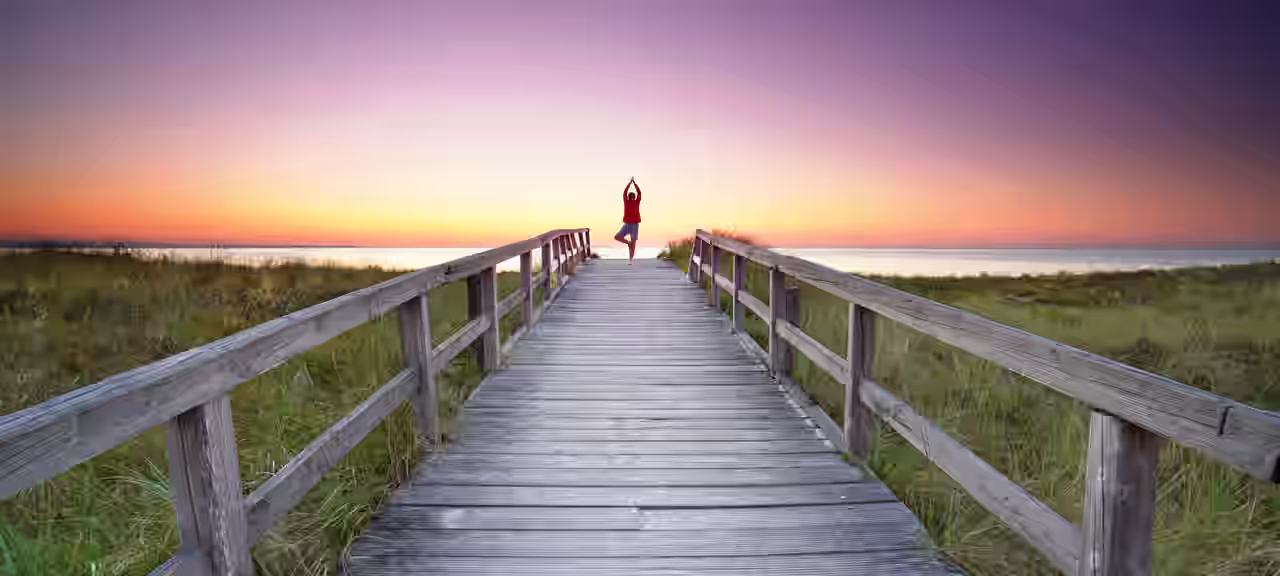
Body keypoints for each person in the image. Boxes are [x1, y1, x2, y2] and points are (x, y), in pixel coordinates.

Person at [614, 177, 641, 263]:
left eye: (634, 196)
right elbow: (625, 192)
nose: (633, 196)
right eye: (631, 195)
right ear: (629, 196)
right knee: (617, 237)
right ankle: (628, 243)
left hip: (635, 224)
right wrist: (630, 183)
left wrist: (634, 184)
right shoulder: (626, 202)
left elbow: (639, 193)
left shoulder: (637, 202)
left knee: (634, 243)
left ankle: (630, 259)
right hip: (627, 224)